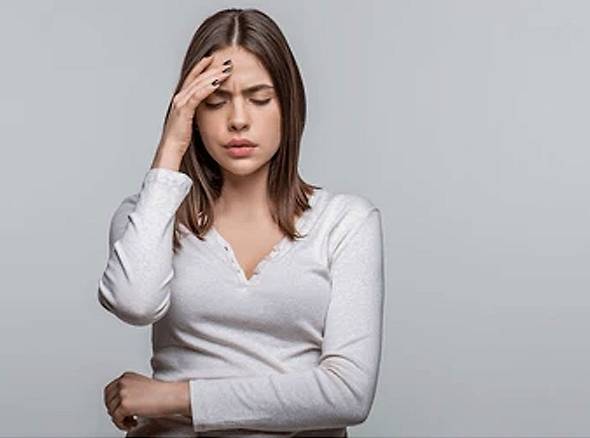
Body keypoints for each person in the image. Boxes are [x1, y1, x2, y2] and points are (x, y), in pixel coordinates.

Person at [98, 7, 385, 438]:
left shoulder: (346, 223)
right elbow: (135, 304)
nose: (237, 119)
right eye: (215, 102)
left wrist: (177, 398)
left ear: (289, 106)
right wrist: (170, 147)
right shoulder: (150, 216)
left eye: (259, 98)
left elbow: (348, 394)